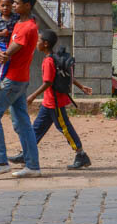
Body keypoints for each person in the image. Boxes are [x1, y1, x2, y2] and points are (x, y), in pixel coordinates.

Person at [10, 30, 93, 170]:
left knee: (65, 128)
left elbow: (48, 82)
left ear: (46, 44)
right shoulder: (53, 58)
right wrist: (81, 86)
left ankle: (81, 155)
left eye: (38, 41)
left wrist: (32, 96)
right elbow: (63, 75)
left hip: (55, 103)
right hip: (48, 103)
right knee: (36, 129)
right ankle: (26, 154)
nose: (37, 43)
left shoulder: (49, 61)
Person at [0, 0, 41, 178]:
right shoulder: (22, 24)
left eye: (16, 3)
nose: (13, 5)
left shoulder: (27, 28)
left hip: (13, 79)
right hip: (20, 79)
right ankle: (32, 166)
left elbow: (9, 52)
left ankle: (0, 161)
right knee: (23, 123)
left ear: (27, 5)